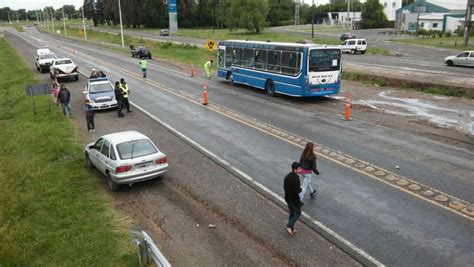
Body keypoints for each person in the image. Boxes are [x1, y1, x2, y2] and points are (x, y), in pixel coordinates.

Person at [284, 162, 302, 236]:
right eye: (299, 168)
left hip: (288, 198)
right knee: (298, 213)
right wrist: (301, 189)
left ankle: (291, 228)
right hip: (294, 200)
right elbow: (297, 191)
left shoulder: (287, 176)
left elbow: (284, 187)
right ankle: (289, 225)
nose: (300, 170)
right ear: (295, 169)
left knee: (291, 212)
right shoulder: (296, 179)